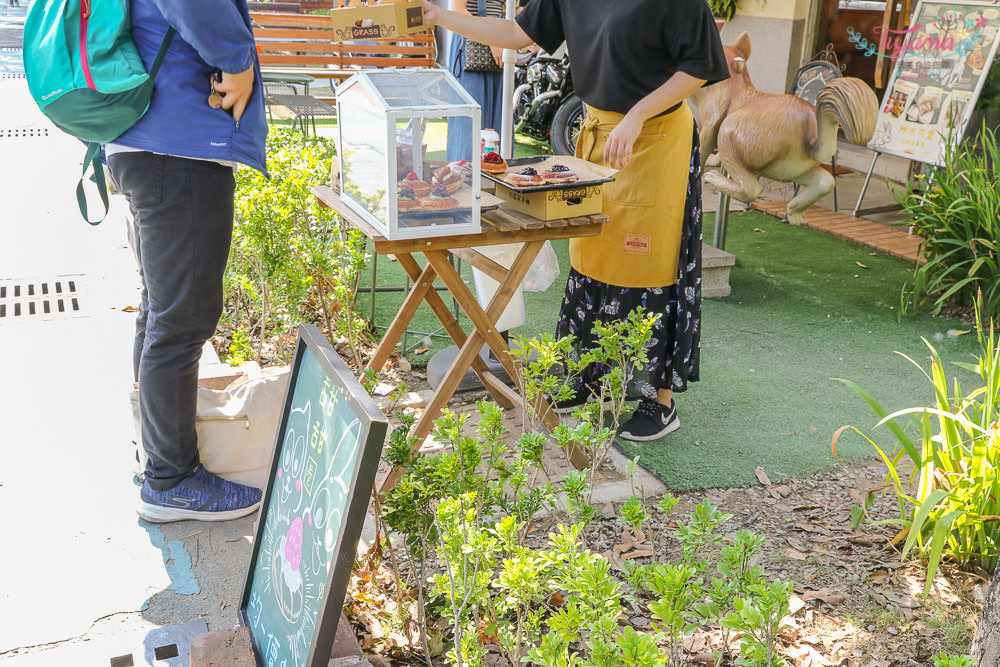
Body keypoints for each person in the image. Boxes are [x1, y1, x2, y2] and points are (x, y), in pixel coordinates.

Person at [422, 0, 729, 442]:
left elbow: (699, 65)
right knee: (592, 251)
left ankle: (658, 401)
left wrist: (639, 113)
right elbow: (517, 33)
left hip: (656, 140)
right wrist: (442, 17)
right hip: (599, 135)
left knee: (651, 265)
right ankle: (589, 376)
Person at [106, 0, 268, 522]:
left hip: (146, 139)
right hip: (177, 144)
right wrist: (239, 64)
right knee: (181, 318)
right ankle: (170, 479)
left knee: (161, 310)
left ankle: (156, 451)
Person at [444, 0, 506, 162]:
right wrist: (490, 38)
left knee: (499, 125)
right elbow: (457, 10)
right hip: (473, 46)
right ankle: (464, 181)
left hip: (499, 46)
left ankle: (494, 180)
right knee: (470, 125)